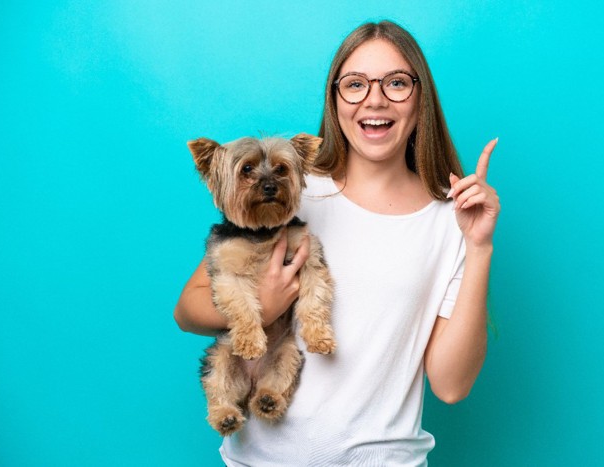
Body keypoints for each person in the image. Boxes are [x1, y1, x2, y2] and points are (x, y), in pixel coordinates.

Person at [175, 20, 500, 466]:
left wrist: (479, 247)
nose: (375, 99)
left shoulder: (452, 220)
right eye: (355, 84)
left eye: (397, 83)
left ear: (421, 98)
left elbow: (451, 385)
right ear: (334, 99)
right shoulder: (290, 191)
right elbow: (187, 309)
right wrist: (265, 307)